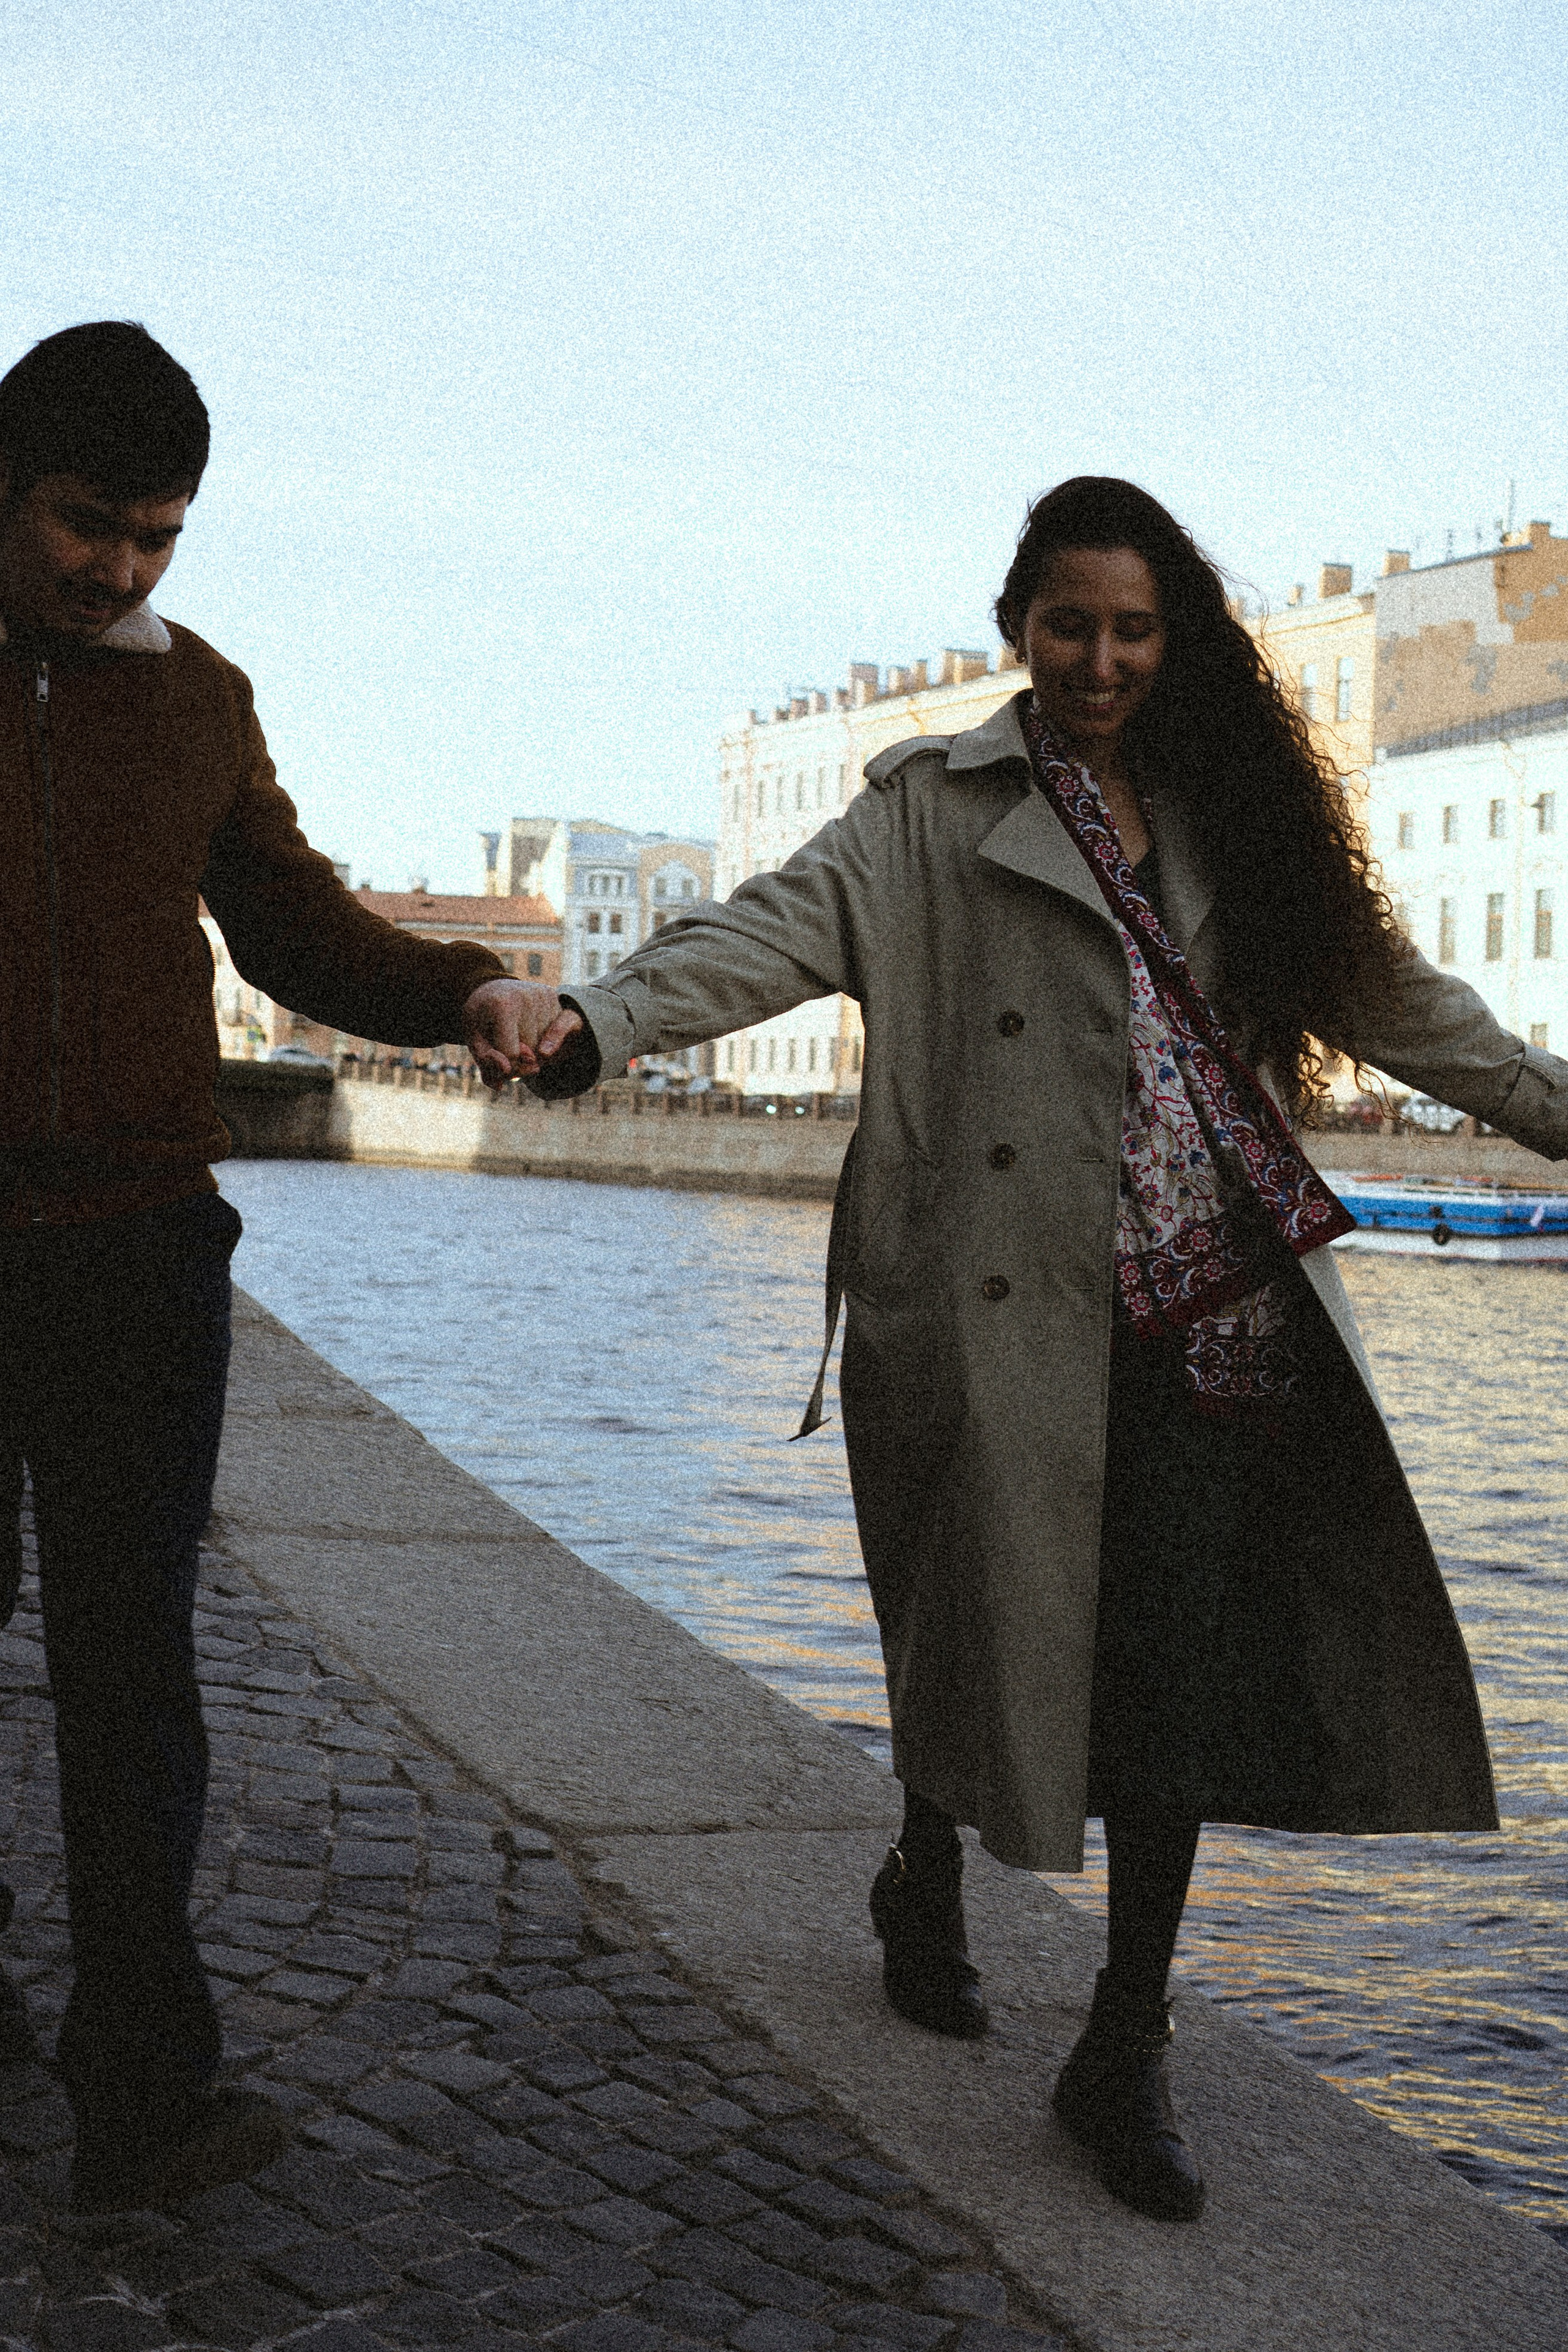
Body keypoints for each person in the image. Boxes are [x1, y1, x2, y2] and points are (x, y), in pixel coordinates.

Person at [503, 476, 1568, 2225]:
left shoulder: (1245, 820)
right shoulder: (931, 814)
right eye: (1068, 624)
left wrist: (1555, 1113)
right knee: (972, 1604)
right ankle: (925, 1865)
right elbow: (763, 931)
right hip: (1004, 1293)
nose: (1100, 659)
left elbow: (1404, 1007)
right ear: (1019, 627)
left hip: (1213, 1307)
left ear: (1179, 640)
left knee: (1166, 1670)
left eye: (1134, 628)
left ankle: (1122, 2039)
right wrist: (597, 1022)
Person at [0, 322, 532, 2213]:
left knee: (136, 1672)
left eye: (159, 534)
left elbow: (298, 927)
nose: (123, 569)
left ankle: (141, 2093)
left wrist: (461, 989)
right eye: (87, 524)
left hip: (141, 1243)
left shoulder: (200, 698)